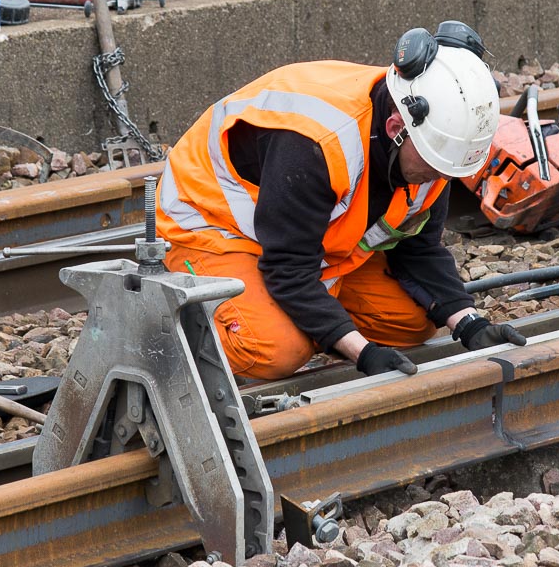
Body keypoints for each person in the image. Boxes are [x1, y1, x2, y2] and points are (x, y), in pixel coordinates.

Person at [155, 21, 529, 381]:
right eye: (435, 164)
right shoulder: (316, 146)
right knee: (275, 348)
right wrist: (360, 351)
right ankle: (172, 337)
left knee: (412, 322)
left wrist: (469, 324)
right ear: (396, 128)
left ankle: (304, 318)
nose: (441, 178)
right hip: (213, 227)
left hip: (305, 241)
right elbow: (289, 268)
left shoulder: (431, 146)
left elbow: (419, 250)